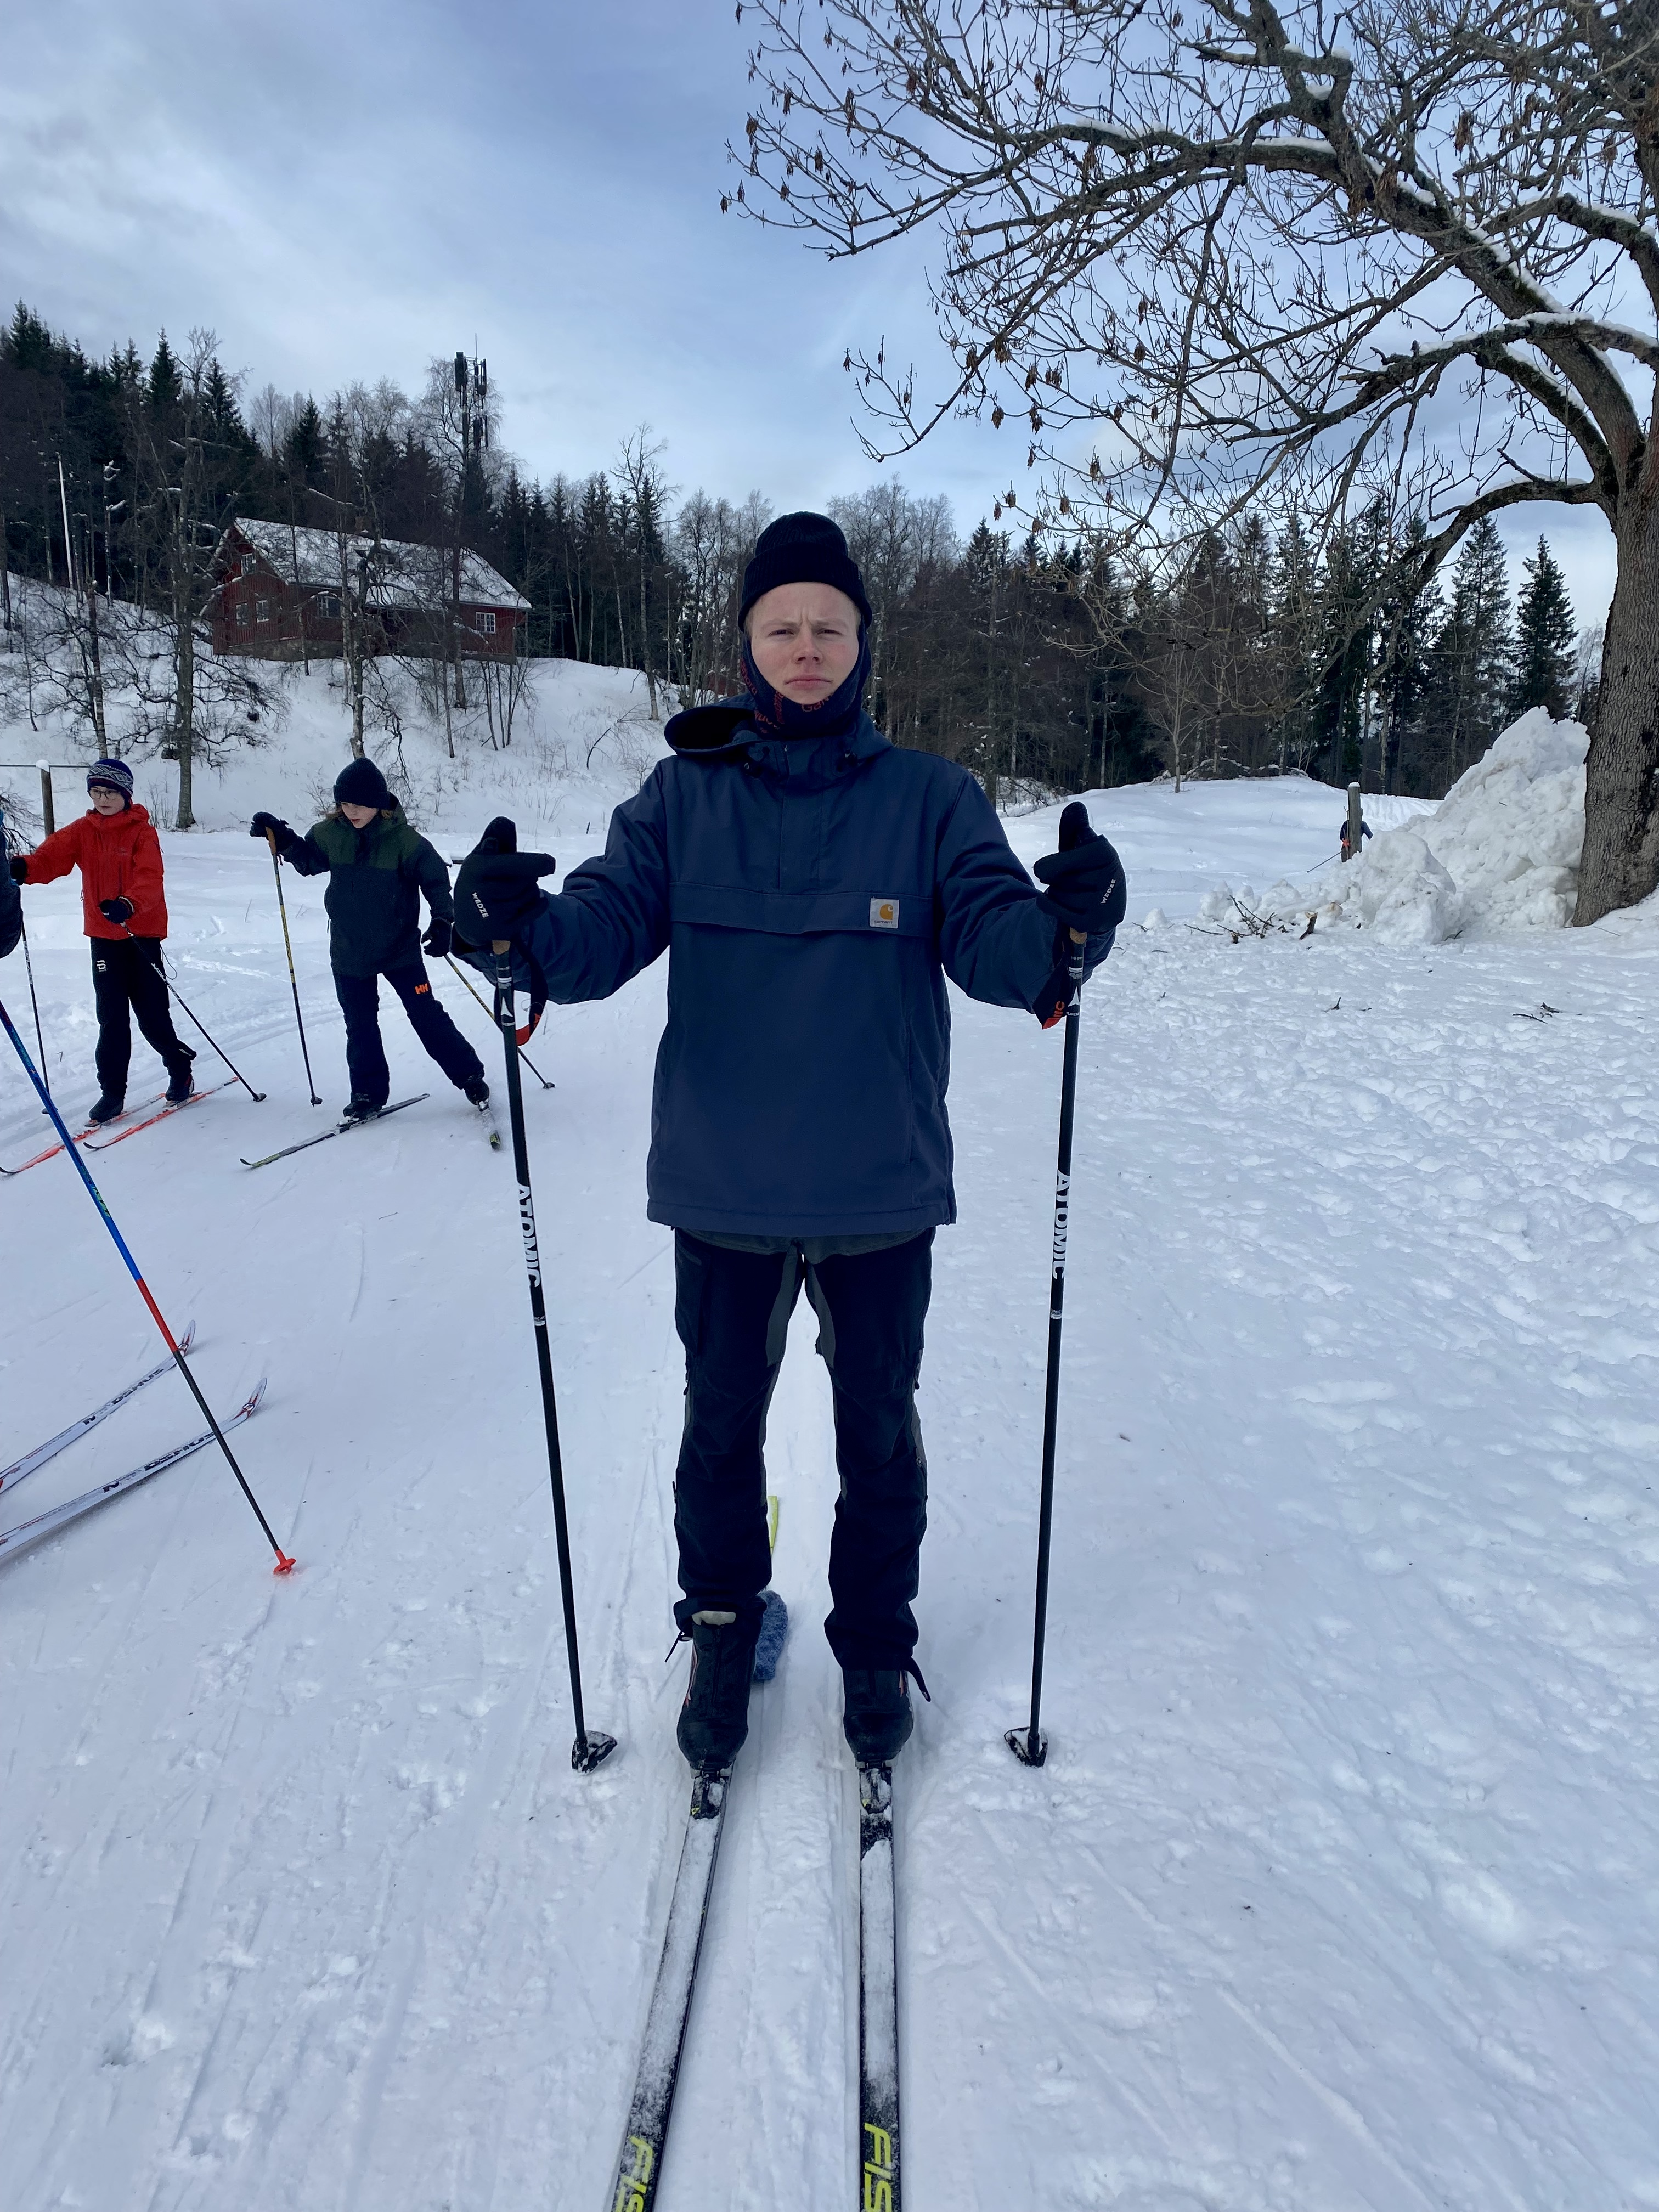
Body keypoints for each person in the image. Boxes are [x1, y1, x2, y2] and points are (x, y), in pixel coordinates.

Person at [454, 512, 1125, 1776]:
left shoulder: (932, 801)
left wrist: (1066, 933)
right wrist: (517, 934)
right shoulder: (682, 799)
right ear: (747, 647)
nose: (806, 648)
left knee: (879, 1436)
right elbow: (597, 930)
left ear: (863, 644)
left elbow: (1000, 946)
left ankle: (874, 1646)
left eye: (828, 627)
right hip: (725, 1194)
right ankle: (720, 1628)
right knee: (719, 1434)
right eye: (782, 628)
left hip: (879, 1193)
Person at [251, 758, 488, 1122]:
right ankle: (367, 1094)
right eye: (345, 804)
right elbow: (309, 860)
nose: (352, 811)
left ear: (379, 802)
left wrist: (442, 921)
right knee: (360, 1025)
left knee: (425, 1014)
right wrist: (283, 839)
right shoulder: (332, 833)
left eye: (359, 804)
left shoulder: (406, 841)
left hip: (400, 951)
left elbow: (437, 881)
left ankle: (469, 1075)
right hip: (349, 952)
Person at [8, 759, 195, 1122]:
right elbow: (49, 860)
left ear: (126, 794)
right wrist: (22, 869)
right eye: (97, 791)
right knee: (111, 1019)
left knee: (152, 1018)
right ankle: (112, 1094)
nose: (104, 798)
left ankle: (179, 1068)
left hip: (140, 933)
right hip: (103, 937)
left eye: (111, 792)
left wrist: (128, 904)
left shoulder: (143, 833)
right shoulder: (83, 830)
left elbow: (150, 878)